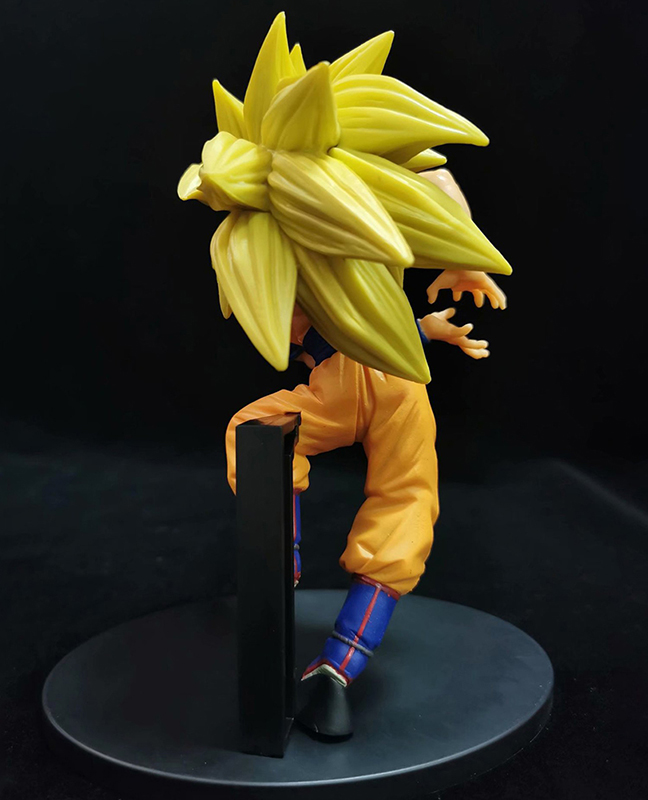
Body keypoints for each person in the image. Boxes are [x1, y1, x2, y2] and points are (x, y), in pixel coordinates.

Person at [178, 13, 512, 737]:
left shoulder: (361, 223)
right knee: (260, 431)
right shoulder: (288, 242)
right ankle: (282, 564)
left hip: (395, 388)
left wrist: (457, 268)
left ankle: (335, 667)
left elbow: (429, 174)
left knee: (405, 509)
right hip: (343, 382)